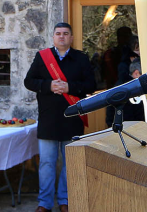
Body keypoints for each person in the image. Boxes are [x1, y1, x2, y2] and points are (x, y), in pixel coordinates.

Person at [23, 22, 94, 212]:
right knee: (46, 163)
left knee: (69, 163)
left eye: (65, 34)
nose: (61, 37)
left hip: (73, 119)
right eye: (58, 33)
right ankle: (44, 203)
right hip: (49, 119)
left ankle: (66, 200)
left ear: (71, 37)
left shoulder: (81, 58)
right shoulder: (42, 57)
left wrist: (70, 88)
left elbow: (90, 84)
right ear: (53, 37)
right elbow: (29, 81)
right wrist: (49, 86)